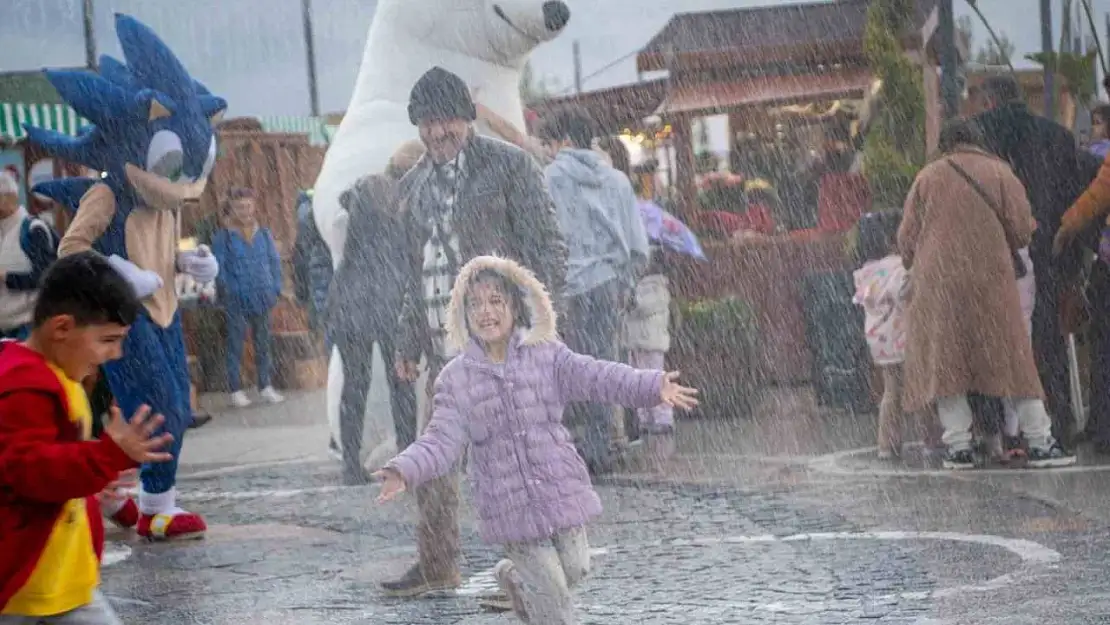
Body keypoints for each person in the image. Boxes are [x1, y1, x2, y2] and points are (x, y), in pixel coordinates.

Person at [375, 255, 697, 625]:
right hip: (508, 504)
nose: (486, 312)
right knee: (555, 599)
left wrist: (651, 385)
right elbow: (439, 440)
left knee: (575, 569)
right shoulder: (455, 379)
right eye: (475, 304)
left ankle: (513, 579)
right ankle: (532, 585)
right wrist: (404, 470)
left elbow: (597, 376)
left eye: (496, 301)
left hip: (560, 489)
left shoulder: (546, 354)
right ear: (463, 315)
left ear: (514, 306)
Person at [383, 66, 568, 598]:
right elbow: (411, 272)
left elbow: (548, 247)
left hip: (503, 345)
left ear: (467, 118)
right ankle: (437, 564)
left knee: (517, 463)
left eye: (448, 120)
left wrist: (539, 325)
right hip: (445, 350)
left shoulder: (509, 166)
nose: (439, 132)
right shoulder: (413, 184)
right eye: (428, 122)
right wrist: (407, 341)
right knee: (433, 462)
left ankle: (539, 571)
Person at [0, 251, 175, 623]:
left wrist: (92, 486)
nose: (116, 353)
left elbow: (54, 464)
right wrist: (107, 456)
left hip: (67, 581)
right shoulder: (23, 386)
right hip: (25, 589)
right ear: (61, 328)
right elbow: (29, 471)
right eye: (108, 340)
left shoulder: (62, 375)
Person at [898, 119, 1075, 470]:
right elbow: (1024, 229)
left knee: (947, 363)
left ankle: (959, 447)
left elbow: (906, 239)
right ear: (978, 141)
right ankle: (1040, 441)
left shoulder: (927, 178)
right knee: (1014, 359)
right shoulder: (999, 173)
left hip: (939, 282)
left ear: (945, 144)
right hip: (990, 279)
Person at [969, 75, 1102, 445]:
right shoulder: (1057, 136)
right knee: (1048, 340)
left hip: (999, 255)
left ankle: (999, 429)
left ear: (990, 101)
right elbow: (1079, 191)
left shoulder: (979, 138)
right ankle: (1054, 421)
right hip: (1052, 250)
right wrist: (1074, 255)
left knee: (997, 341)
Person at [537, 108, 650, 475]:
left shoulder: (549, 178)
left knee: (562, 368)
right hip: (606, 285)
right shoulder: (617, 180)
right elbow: (638, 247)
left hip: (564, 290)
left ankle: (569, 446)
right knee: (603, 364)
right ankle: (601, 447)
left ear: (565, 140)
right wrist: (625, 283)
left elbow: (542, 240)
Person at [328, 142, 422, 485]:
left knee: (356, 384)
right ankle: (409, 456)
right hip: (388, 298)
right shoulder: (402, 199)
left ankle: (351, 463)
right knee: (402, 380)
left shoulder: (364, 190)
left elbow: (342, 201)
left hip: (351, 297)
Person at [210, 188, 285, 408]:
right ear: (232, 209)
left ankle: (265, 386)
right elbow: (218, 268)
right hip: (237, 300)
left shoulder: (264, 234)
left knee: (263, 344)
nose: (245, 211)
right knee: (235, 344)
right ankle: (235, 390)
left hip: (263, 296)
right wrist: (229, 290)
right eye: (240, 207)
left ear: (254, 207)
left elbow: (274, 262)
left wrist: (275, 288)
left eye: (248, 206)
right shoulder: (223, 237)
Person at [852, 210, 909, 459]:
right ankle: (930, 437)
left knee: (890, 391)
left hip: (878, 340)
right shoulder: (896, 267)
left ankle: (888, 443)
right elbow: (903, 292)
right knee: (914, 390)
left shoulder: (866, 272)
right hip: (900, 336)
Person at [0, 171, 58, 340]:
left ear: (7, 197)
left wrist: (6, 277)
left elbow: (47, 277)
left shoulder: (34, 229)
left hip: (29, 328)